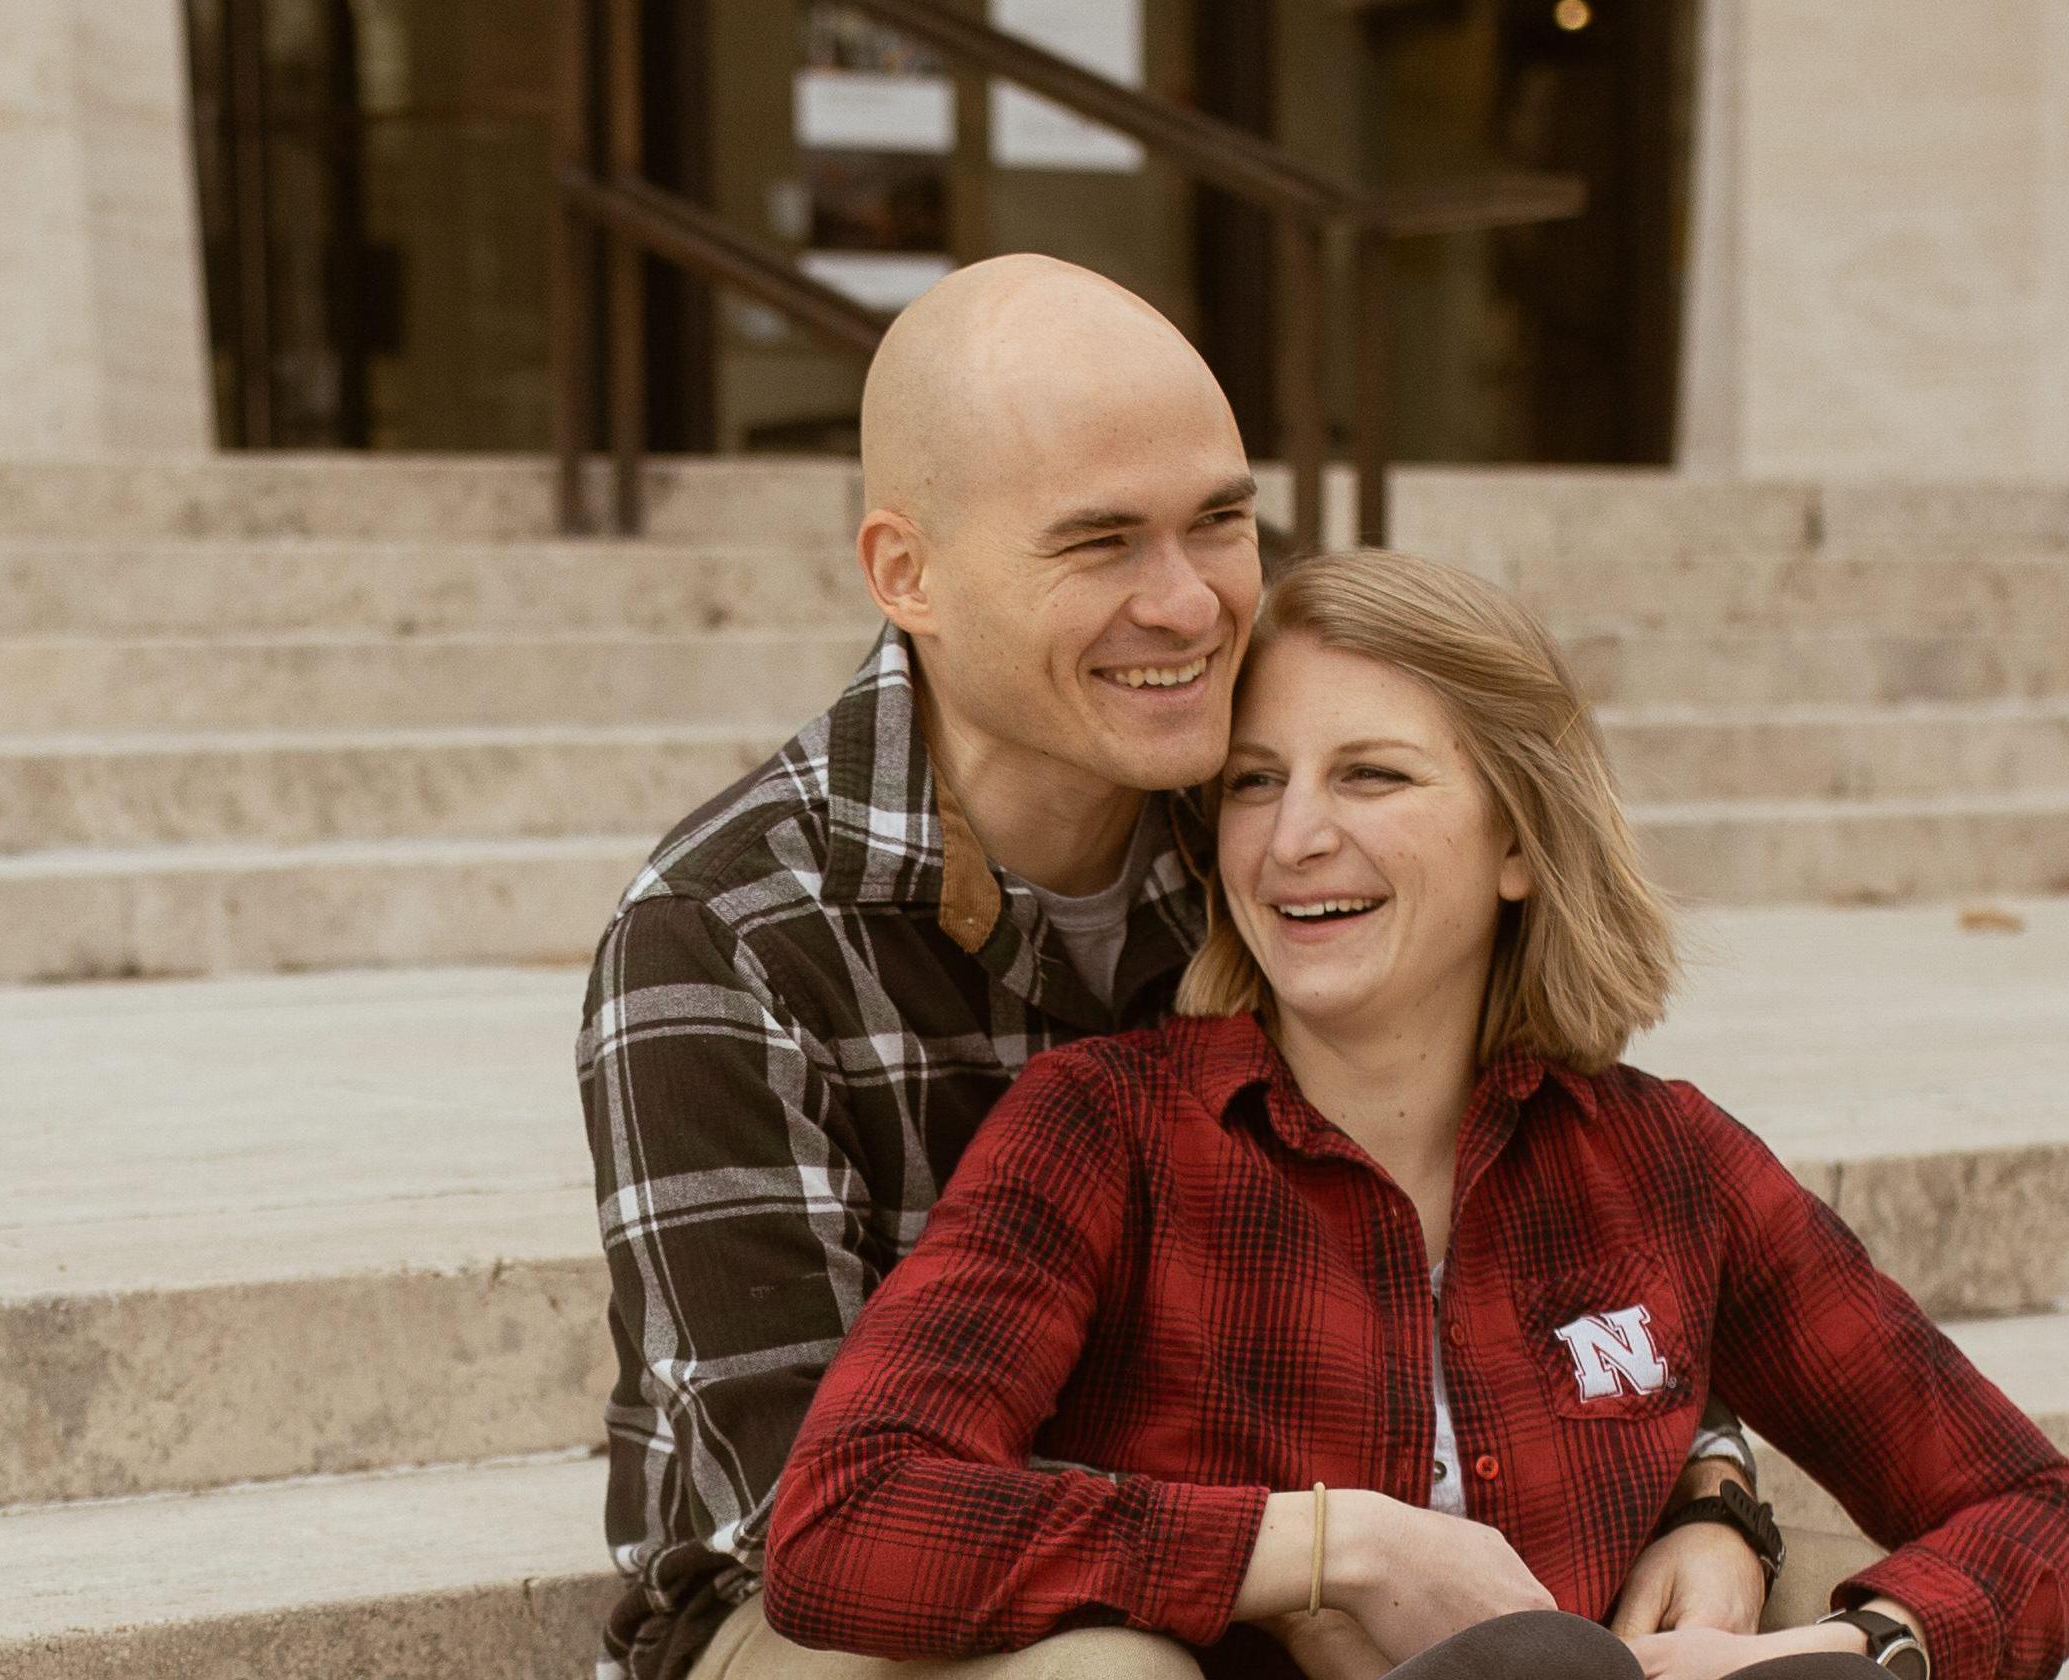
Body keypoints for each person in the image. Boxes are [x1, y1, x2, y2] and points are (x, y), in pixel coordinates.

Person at [577, 258, 1772, 1680]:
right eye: (1100, 544)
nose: (1190, 604)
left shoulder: (1271, 832)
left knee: (1785, 1603)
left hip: (1297, 1537)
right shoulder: (722, 935)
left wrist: (1708, 1486)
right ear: (908, 574)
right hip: (842, 1614)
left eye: (1219, 522)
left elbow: (1561, 1211)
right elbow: (815, 1521)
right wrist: (1312, 1552)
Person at [758, 553, 2069, 1680]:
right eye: (1253, 782)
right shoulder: (1106, 1133)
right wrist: (1327, 1549)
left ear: (1518, 840)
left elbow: (2036, 1513)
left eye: (1372, 775)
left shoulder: (1665, 1161)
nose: (1293, 838)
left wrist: (1857, 1646)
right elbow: (847, 1517)